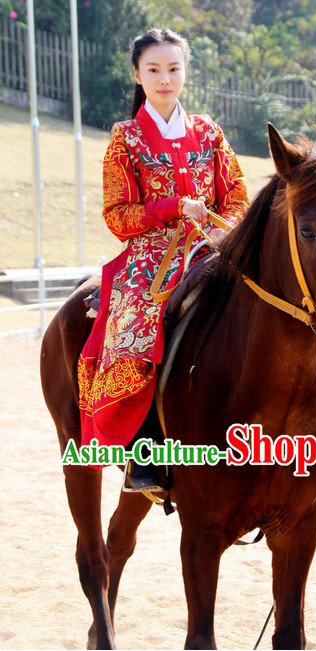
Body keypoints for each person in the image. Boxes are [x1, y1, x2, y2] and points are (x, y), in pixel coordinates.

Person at [78, 28, 250, 491]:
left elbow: (236, 195)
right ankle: (144, 450)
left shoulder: (209, 133)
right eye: (153, 69)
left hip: (212, 242)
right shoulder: (126, 138)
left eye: (174, 68)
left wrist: (220, 227)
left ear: (185, 72)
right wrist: (170, 207)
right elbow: (118, 216)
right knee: (137, 329)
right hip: (151, 253)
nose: (164, 79)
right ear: (137, 74)